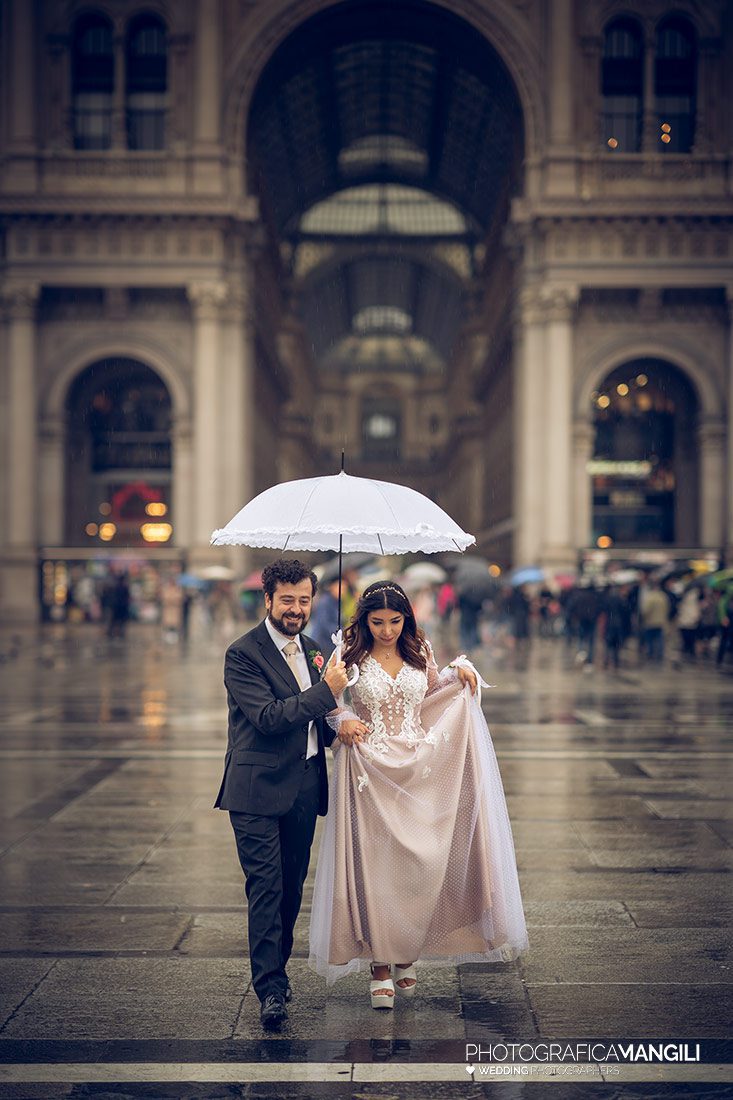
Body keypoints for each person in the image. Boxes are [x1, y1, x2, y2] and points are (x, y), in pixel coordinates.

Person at [309, 581, 528, 1006]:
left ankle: (405, 952)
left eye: (395, 621)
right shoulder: (346, 653)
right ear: (363, 619)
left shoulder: (419, 648)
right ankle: (378, 962)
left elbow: (430, 690)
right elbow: (329, 700)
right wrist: (343, 719)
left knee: (416, 866)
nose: (387, 630)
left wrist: (457, 673)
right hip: (368, 768)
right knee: (374, 867)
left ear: (406, 618)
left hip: (417, 766)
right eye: (377, 623)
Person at [214, 559, 349, 1030]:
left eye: (304, 600)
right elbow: (270, 718)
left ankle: (278, 970)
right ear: (267, 599)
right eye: (287, 600)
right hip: (254, 790)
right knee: (266, 888)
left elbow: (317, 722)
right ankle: (269, 987)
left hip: (304, 786)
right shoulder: (242, 654)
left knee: (291, 888)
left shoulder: (315, 650)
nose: (296, 609)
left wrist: (345, 730)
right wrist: (327, 693)